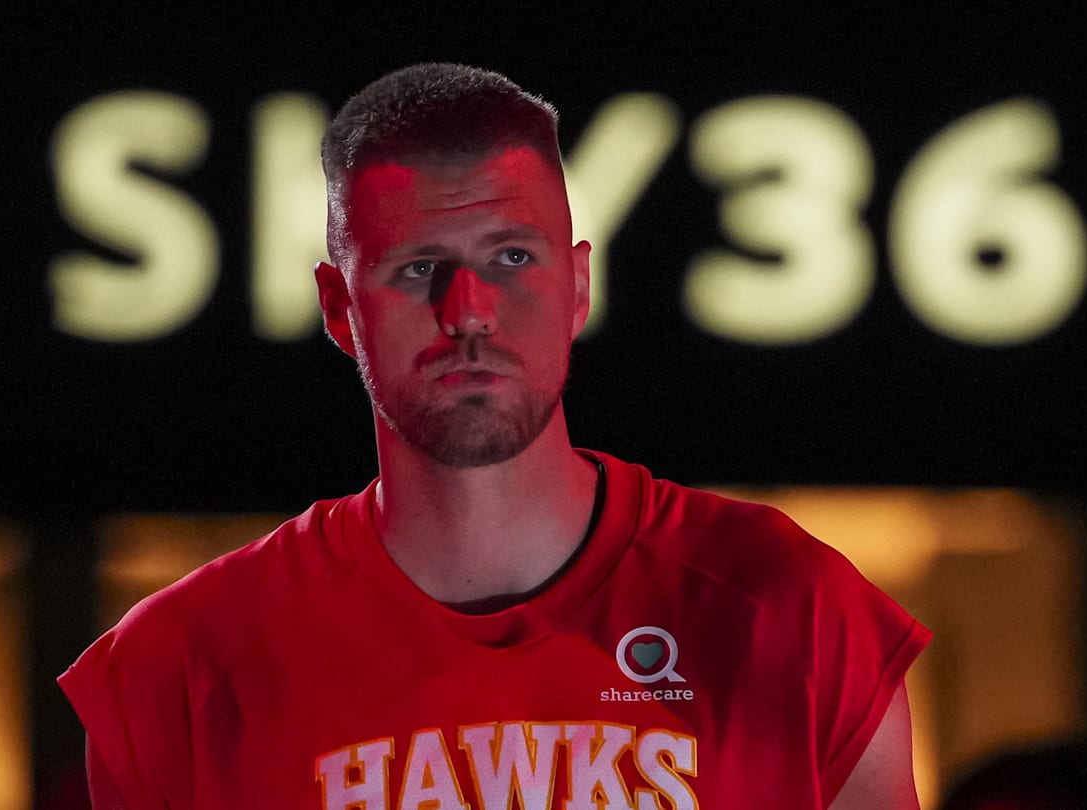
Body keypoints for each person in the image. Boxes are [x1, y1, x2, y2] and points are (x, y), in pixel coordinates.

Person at [59, 62, 931, 809]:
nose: (467, 312)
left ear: (579, 284)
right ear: (338, 308)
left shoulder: (793, 614)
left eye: (512, 257)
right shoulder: (180, 667)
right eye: (419, 269)